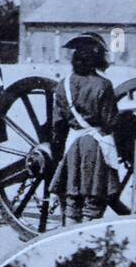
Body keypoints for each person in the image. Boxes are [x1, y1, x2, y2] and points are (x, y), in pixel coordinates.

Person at [49, 32, 124, 223]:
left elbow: (58, 123)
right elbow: (110, 121)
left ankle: (69, 239)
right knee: (95, 199)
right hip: (95, 146)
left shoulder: (63, 85)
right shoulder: (104, 85)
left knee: (72, 198)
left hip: (73, 144)